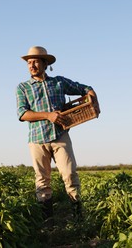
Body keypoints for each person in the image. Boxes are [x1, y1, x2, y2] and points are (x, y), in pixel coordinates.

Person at [15, 46, 100, 222]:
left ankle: (78, 217)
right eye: (29, 62)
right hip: (37, 139)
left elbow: (85, 88)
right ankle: (48, 222)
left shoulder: (59, 82)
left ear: (45, 64)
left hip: (60, 135)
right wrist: (48, 115)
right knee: (42, 180)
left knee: (69, 174)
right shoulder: (23, 88)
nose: (32, 65)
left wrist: (93, 96)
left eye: (36, 61)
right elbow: (22, 114)